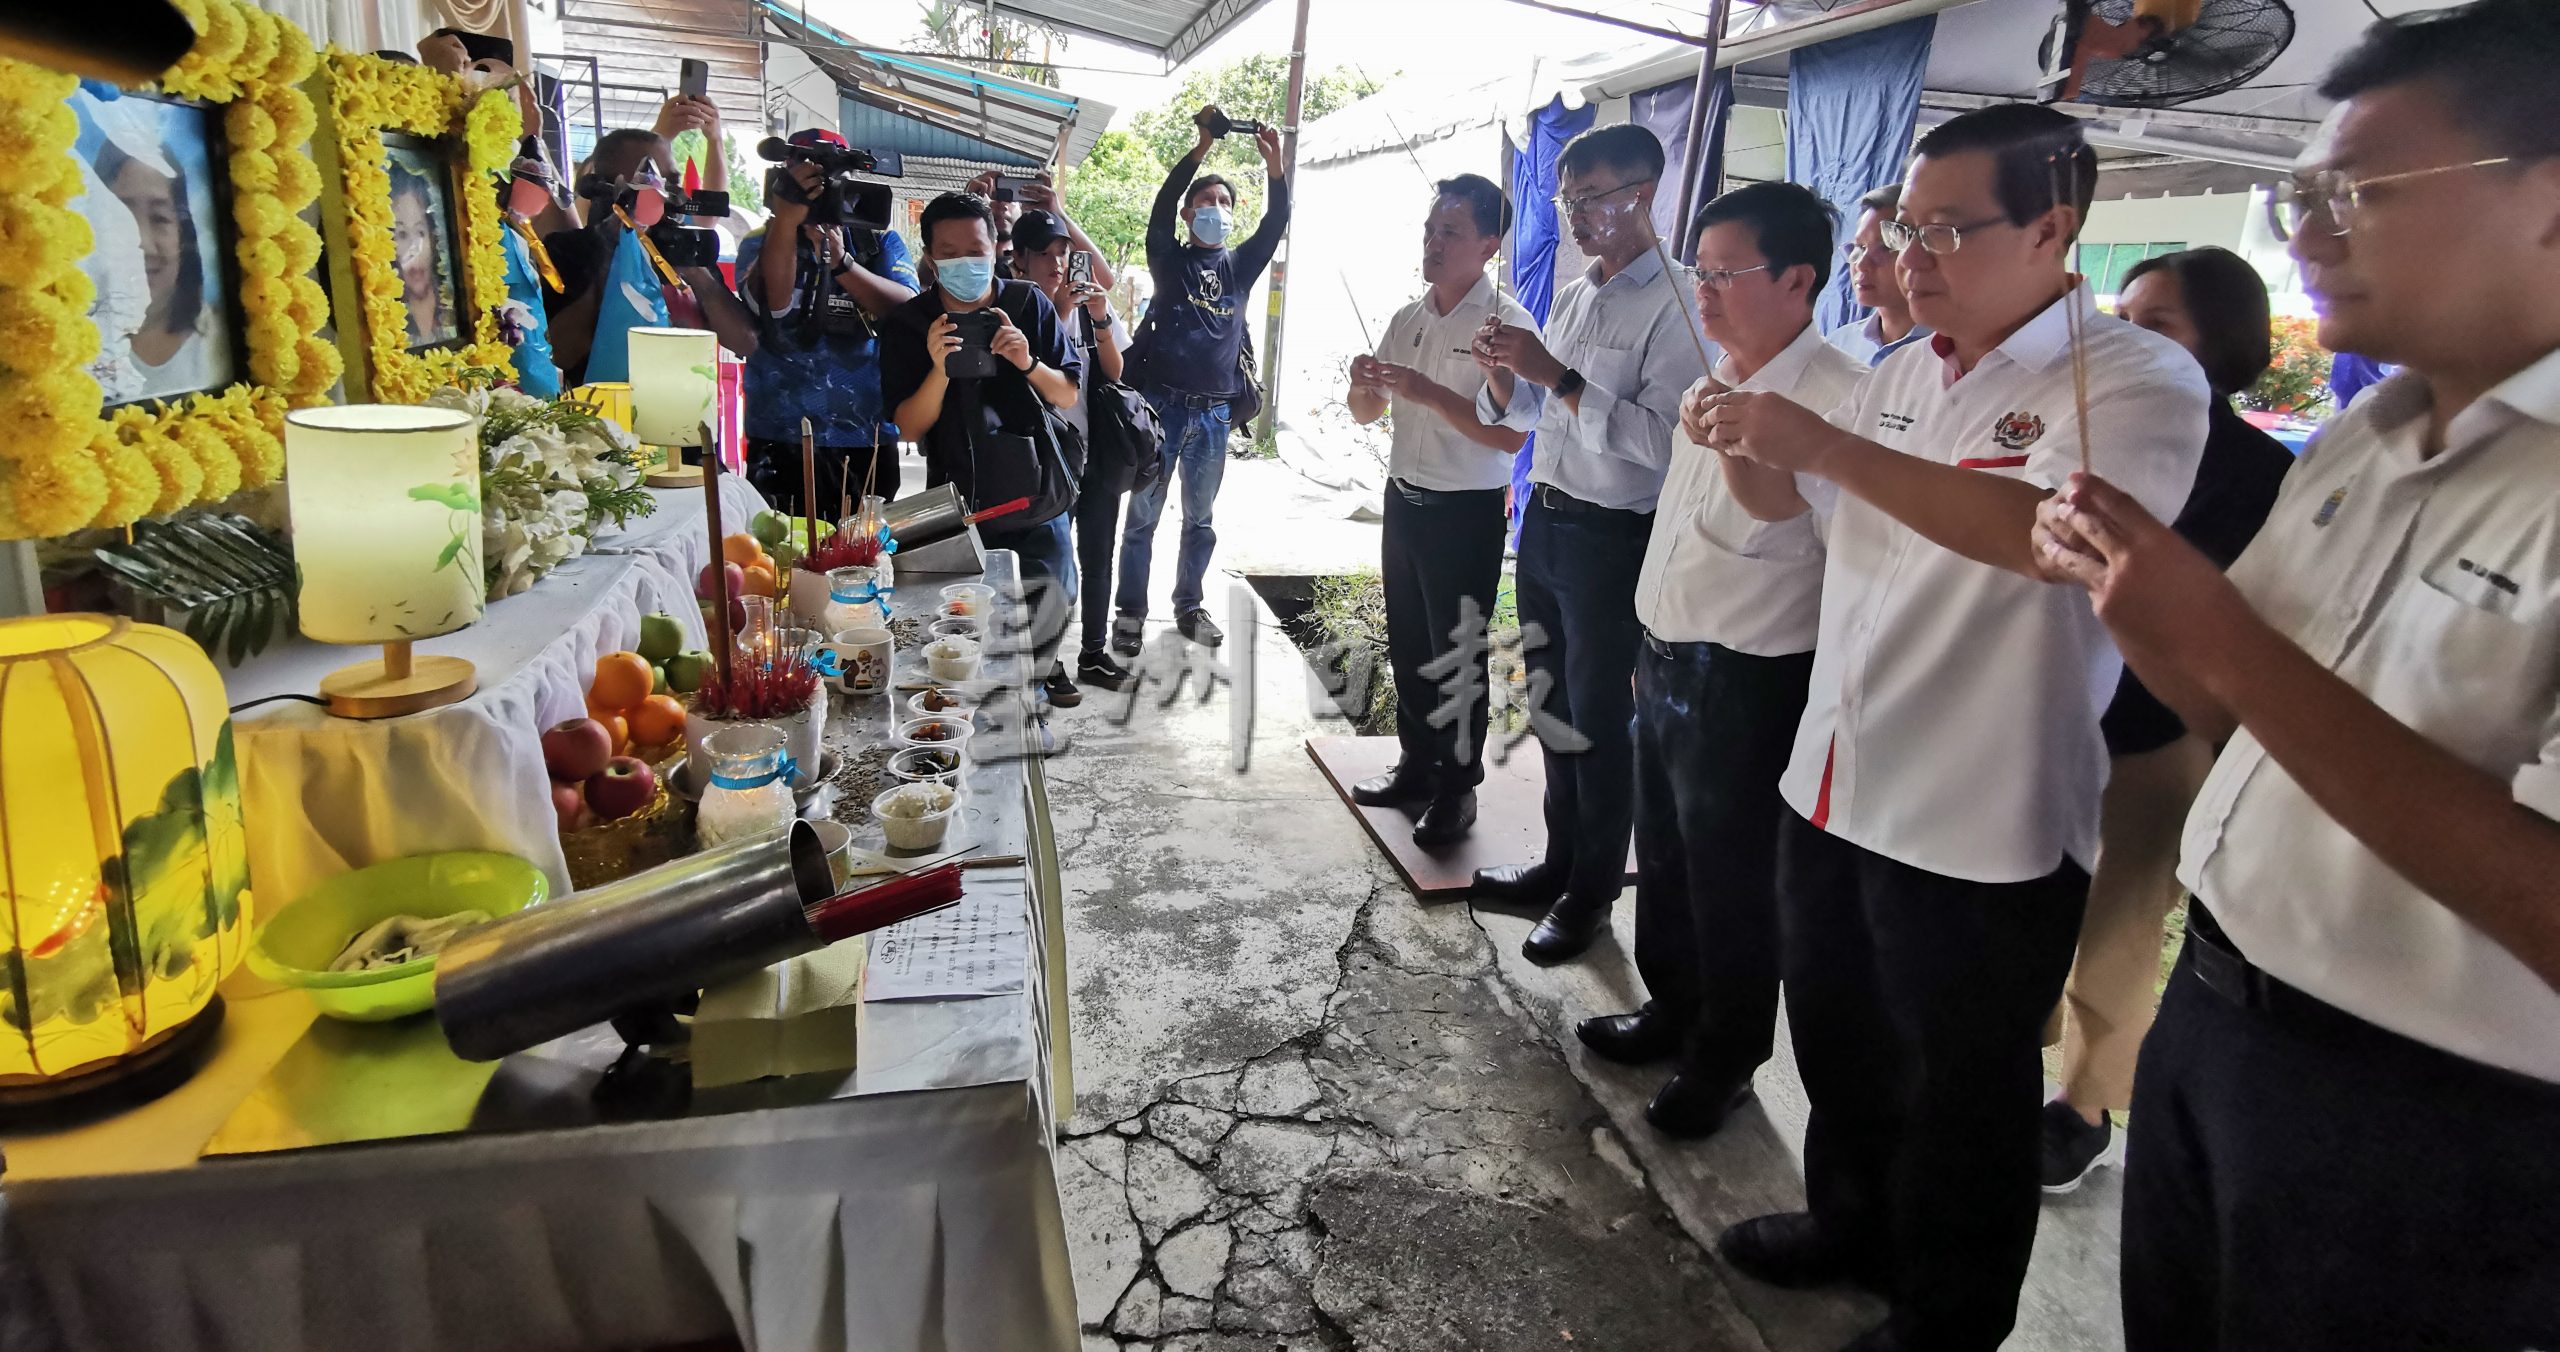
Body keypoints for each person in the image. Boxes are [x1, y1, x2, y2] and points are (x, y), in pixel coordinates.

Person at [2032, 2, 2560, 1345]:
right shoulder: (2360, 443)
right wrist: (2136, 588)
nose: (2309, 230)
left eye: (2356, 192)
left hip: (2434, 1117)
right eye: (2301, 192)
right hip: (2219, 1015)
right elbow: (2237, 716)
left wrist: (2218, 638)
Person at [1699, 103, 2208, 1351]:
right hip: (1834, 770)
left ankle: (1947, 1313)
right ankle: (1848, 1222)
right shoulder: (1899, 371)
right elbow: (1807, 514)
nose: (1910, 254)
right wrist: (1743, 443)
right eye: (1902, 225)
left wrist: (1816, 438)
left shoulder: (2131, 379)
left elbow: (2050, 541)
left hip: (1979, 810)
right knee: (1835, 1036)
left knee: (1963, 1096)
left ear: (2052, 225)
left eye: (1944, 228)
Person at [1580, 182, 1868, 1138]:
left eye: (1724, 273)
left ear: (1798, 279)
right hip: (1666, 655)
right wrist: (1647, 641)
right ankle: (1672, 1006)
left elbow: (1828, 546)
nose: (1702, 290)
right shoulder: (1713, 375)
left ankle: (1727, 1054)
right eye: (1698, 271)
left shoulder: (1838, 400)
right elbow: (1680, 534)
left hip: (1751, 678)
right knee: (1661, 854)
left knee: (1732, 877)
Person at [2038, 246, 2292, 1193]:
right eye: (2123, 316)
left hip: (2158, 726)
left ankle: (2086, 1102)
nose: (2129, 338)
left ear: (2220, 344)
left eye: (2160, 324)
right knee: (2034, 896)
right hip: (2058, 708)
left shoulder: (2256, 469)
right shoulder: (2089, 433)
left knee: (2123, 915)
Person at [1469, 123, 1705, 964]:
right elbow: (1534, 415)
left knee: (1602, 725)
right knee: (1551, 711)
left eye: (1590, 198)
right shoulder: (1575, 295)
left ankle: (1592, 896)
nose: (1574, 216)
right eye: (1566, 199)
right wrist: (1507, 377)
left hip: (1616, 539)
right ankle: (1558, 862)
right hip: (1548, 523)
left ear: (1642, 194)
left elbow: (1667, 442)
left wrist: (1557, 376)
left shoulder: (1676, 304)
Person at [1343, 174, 1540, 847]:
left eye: (1449, 231)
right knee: (1410, 643)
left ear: (1488, 243)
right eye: (1430, 229)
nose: (1433, 242)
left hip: (1465, 511)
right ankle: (1417, 764)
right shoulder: (1410, 317)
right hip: (1405, 500)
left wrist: (1425, 390)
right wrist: (1362, 385)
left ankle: (1458, 790)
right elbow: (1368, 413)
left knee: (1456, 653)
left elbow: (1510, 435)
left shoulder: (1506, 326)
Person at [878, 192, 1084, 712]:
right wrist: (938, 371)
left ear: (996, 246)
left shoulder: (1027, 303)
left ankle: (1029, 714)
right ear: (929, 257)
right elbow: (907, 426)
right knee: (961, 631)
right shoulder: (909, 322)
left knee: (1045, 614)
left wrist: (1028, 361)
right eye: (948, 252)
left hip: (1035, 496)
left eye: (976, 249)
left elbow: (1066, 394)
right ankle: (970, 729)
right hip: (956, 504)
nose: (964, 262)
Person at [1114, 106, 1290, 655]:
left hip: (1215, 414)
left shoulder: (1242, 265)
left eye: (1223, 203)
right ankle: (1130, 614)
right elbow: (1162, 201)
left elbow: (1276, 221)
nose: (1215, 209)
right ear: (1190, 213)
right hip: (1161, 408)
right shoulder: (1168, 259)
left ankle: (1189, 607)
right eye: (1206, 201)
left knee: (1201, 519)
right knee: (1142, 516)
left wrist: (1275, 168)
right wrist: (1201, 149)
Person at [737, 128, 918, 511]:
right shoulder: (761, 240)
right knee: (784, 556)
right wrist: (786, 223)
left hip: (866, 436)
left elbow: (907, 310)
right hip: (780, 434)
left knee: (863, 557)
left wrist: (842, 263)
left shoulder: (876, 240)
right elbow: (774, 306)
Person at [540, 95, 726, 385]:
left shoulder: (681, 249)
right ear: (606, 189)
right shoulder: (568, 250)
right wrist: (610, 256)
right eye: (646, 181)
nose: (665, 194)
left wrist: (689, 269)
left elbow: (745, 342)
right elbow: (559, 354)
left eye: (670, 183)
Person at [1014, 206, 1121, 706]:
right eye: (1046, 256)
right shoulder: (1020, 309)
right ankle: (1047, 660)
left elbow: (1115, 371)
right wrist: (1058, 311)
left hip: (1093, 454)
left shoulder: (1090, 302)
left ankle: (1093, 652)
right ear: (1020, 261)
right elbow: (1037, 379)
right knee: (1051, 572)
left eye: (1063, 255)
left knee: (1095, 560)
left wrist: (1097, 319)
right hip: (1045, 463)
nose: (1058, 265)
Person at [91, 139, 217, 398]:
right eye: (120, 217)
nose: (143, 245)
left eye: (160, 218)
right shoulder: (61, 346)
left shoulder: (221, 340)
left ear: (184, 234)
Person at [1826, 184, 1930, 368]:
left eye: (1884, 248)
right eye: (1859, 248)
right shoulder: (1839, 346)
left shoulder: (1950, 349)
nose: (1861, 265)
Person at [387, 159, 455, 346]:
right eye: (401, 234)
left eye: (420, 232)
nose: (414, 247)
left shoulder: (454, 301)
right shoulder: (385, 316)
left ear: (434, 238)